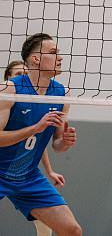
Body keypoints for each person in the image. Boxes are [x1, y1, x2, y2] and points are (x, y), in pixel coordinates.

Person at [0, 33, 80, 235]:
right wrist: (35, 128)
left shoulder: (62, 94)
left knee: (72, 230)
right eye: (53, 53)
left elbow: (57, 145)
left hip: (27, 176)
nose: (60, 57)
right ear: (36, 59)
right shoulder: (10, 89)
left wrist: (65, 142)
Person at [4, 60, 66, 236]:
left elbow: (35, 143)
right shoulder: (5, 101)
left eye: (25, 73)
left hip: (22, 172)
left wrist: (49, 171)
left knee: (45, 222)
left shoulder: (36, 105)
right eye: (18, 74)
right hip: (2, 167)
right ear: (8, 79)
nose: (24, 77)